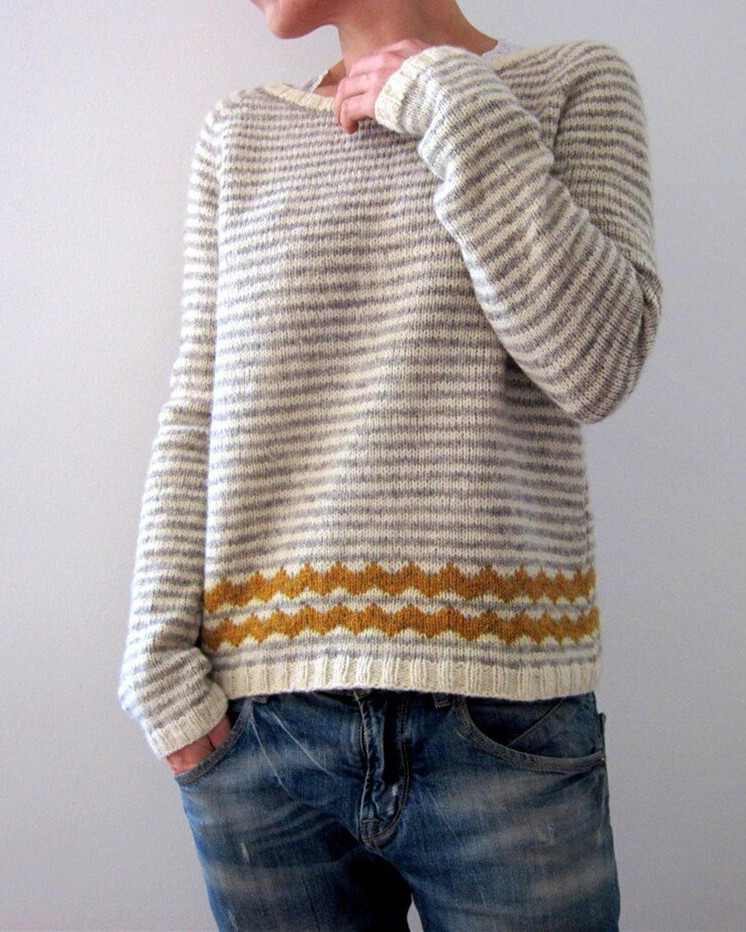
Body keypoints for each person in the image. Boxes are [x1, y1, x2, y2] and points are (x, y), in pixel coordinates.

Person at [118, 0, 663, 927]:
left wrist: (451, 102)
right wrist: (156, 660)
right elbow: (200, 403)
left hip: (502, 721)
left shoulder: (572, 84)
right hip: (261, 734)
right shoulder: (241, 132)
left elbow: (597, 367)